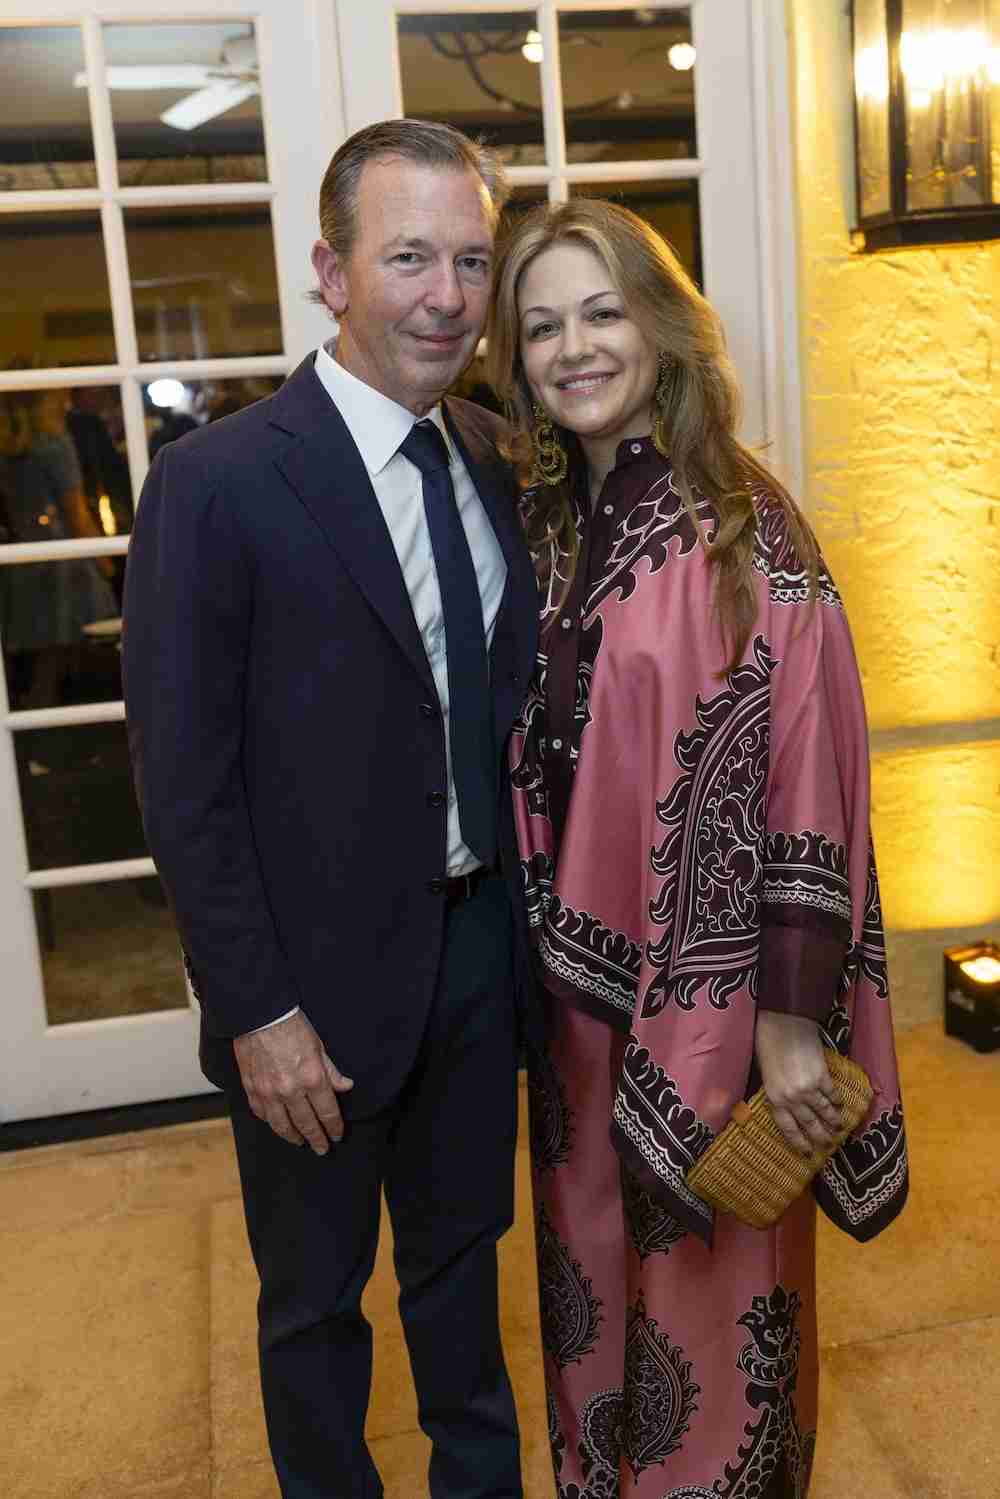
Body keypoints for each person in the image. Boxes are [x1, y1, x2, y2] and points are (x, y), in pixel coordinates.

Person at [122, 120, 541, 1499]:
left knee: (464, 1278)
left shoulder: (499, 456)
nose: (447, 296)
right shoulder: (218, 480)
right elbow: (183, 779)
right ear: (330, 271)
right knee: (313, 1310)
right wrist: (256, 1009)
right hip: (305, 993)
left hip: (479, 956)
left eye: (470, 261)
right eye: (408, 257)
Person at [485, 199, 909, 1498]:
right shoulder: (551, 520)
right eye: (542, 325)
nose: (573, 349)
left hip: (715, 1021)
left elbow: (810, 777)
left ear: (662, 326)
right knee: (590, 1293)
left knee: (716, 1323)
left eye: (601, 312)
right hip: (576, 1014)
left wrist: (788, 1017)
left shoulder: (746, 525)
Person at [0, 386, 118, 710]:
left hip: (23, 552)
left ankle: (37, 723)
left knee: (43, 658)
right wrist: (108, 564)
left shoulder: (9, 446)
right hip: (62, 556)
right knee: (66, 651)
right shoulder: (54, 444)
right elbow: (75, 513)